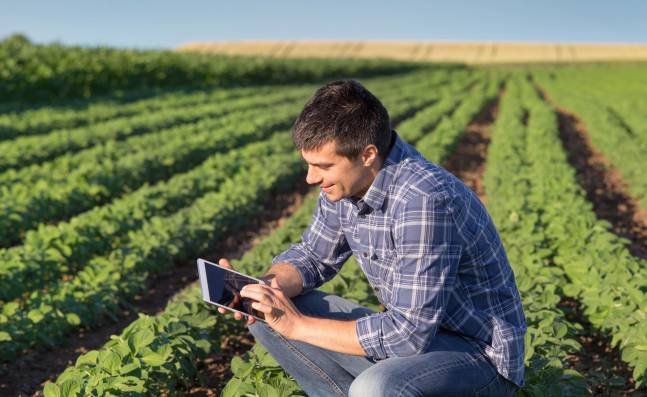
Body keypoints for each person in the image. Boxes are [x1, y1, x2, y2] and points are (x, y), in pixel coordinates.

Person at [217, 79, 526, 396]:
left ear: (367, 154)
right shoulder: (346, 184)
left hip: (476, 355)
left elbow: (408, 335)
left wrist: (297, 325)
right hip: (417, 341)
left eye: (322, 166)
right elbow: (313, 256)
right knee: (269, 313)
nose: (311, 178)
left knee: (373, 387)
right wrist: (265, 288)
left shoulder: (423, 199)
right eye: (308, 164)